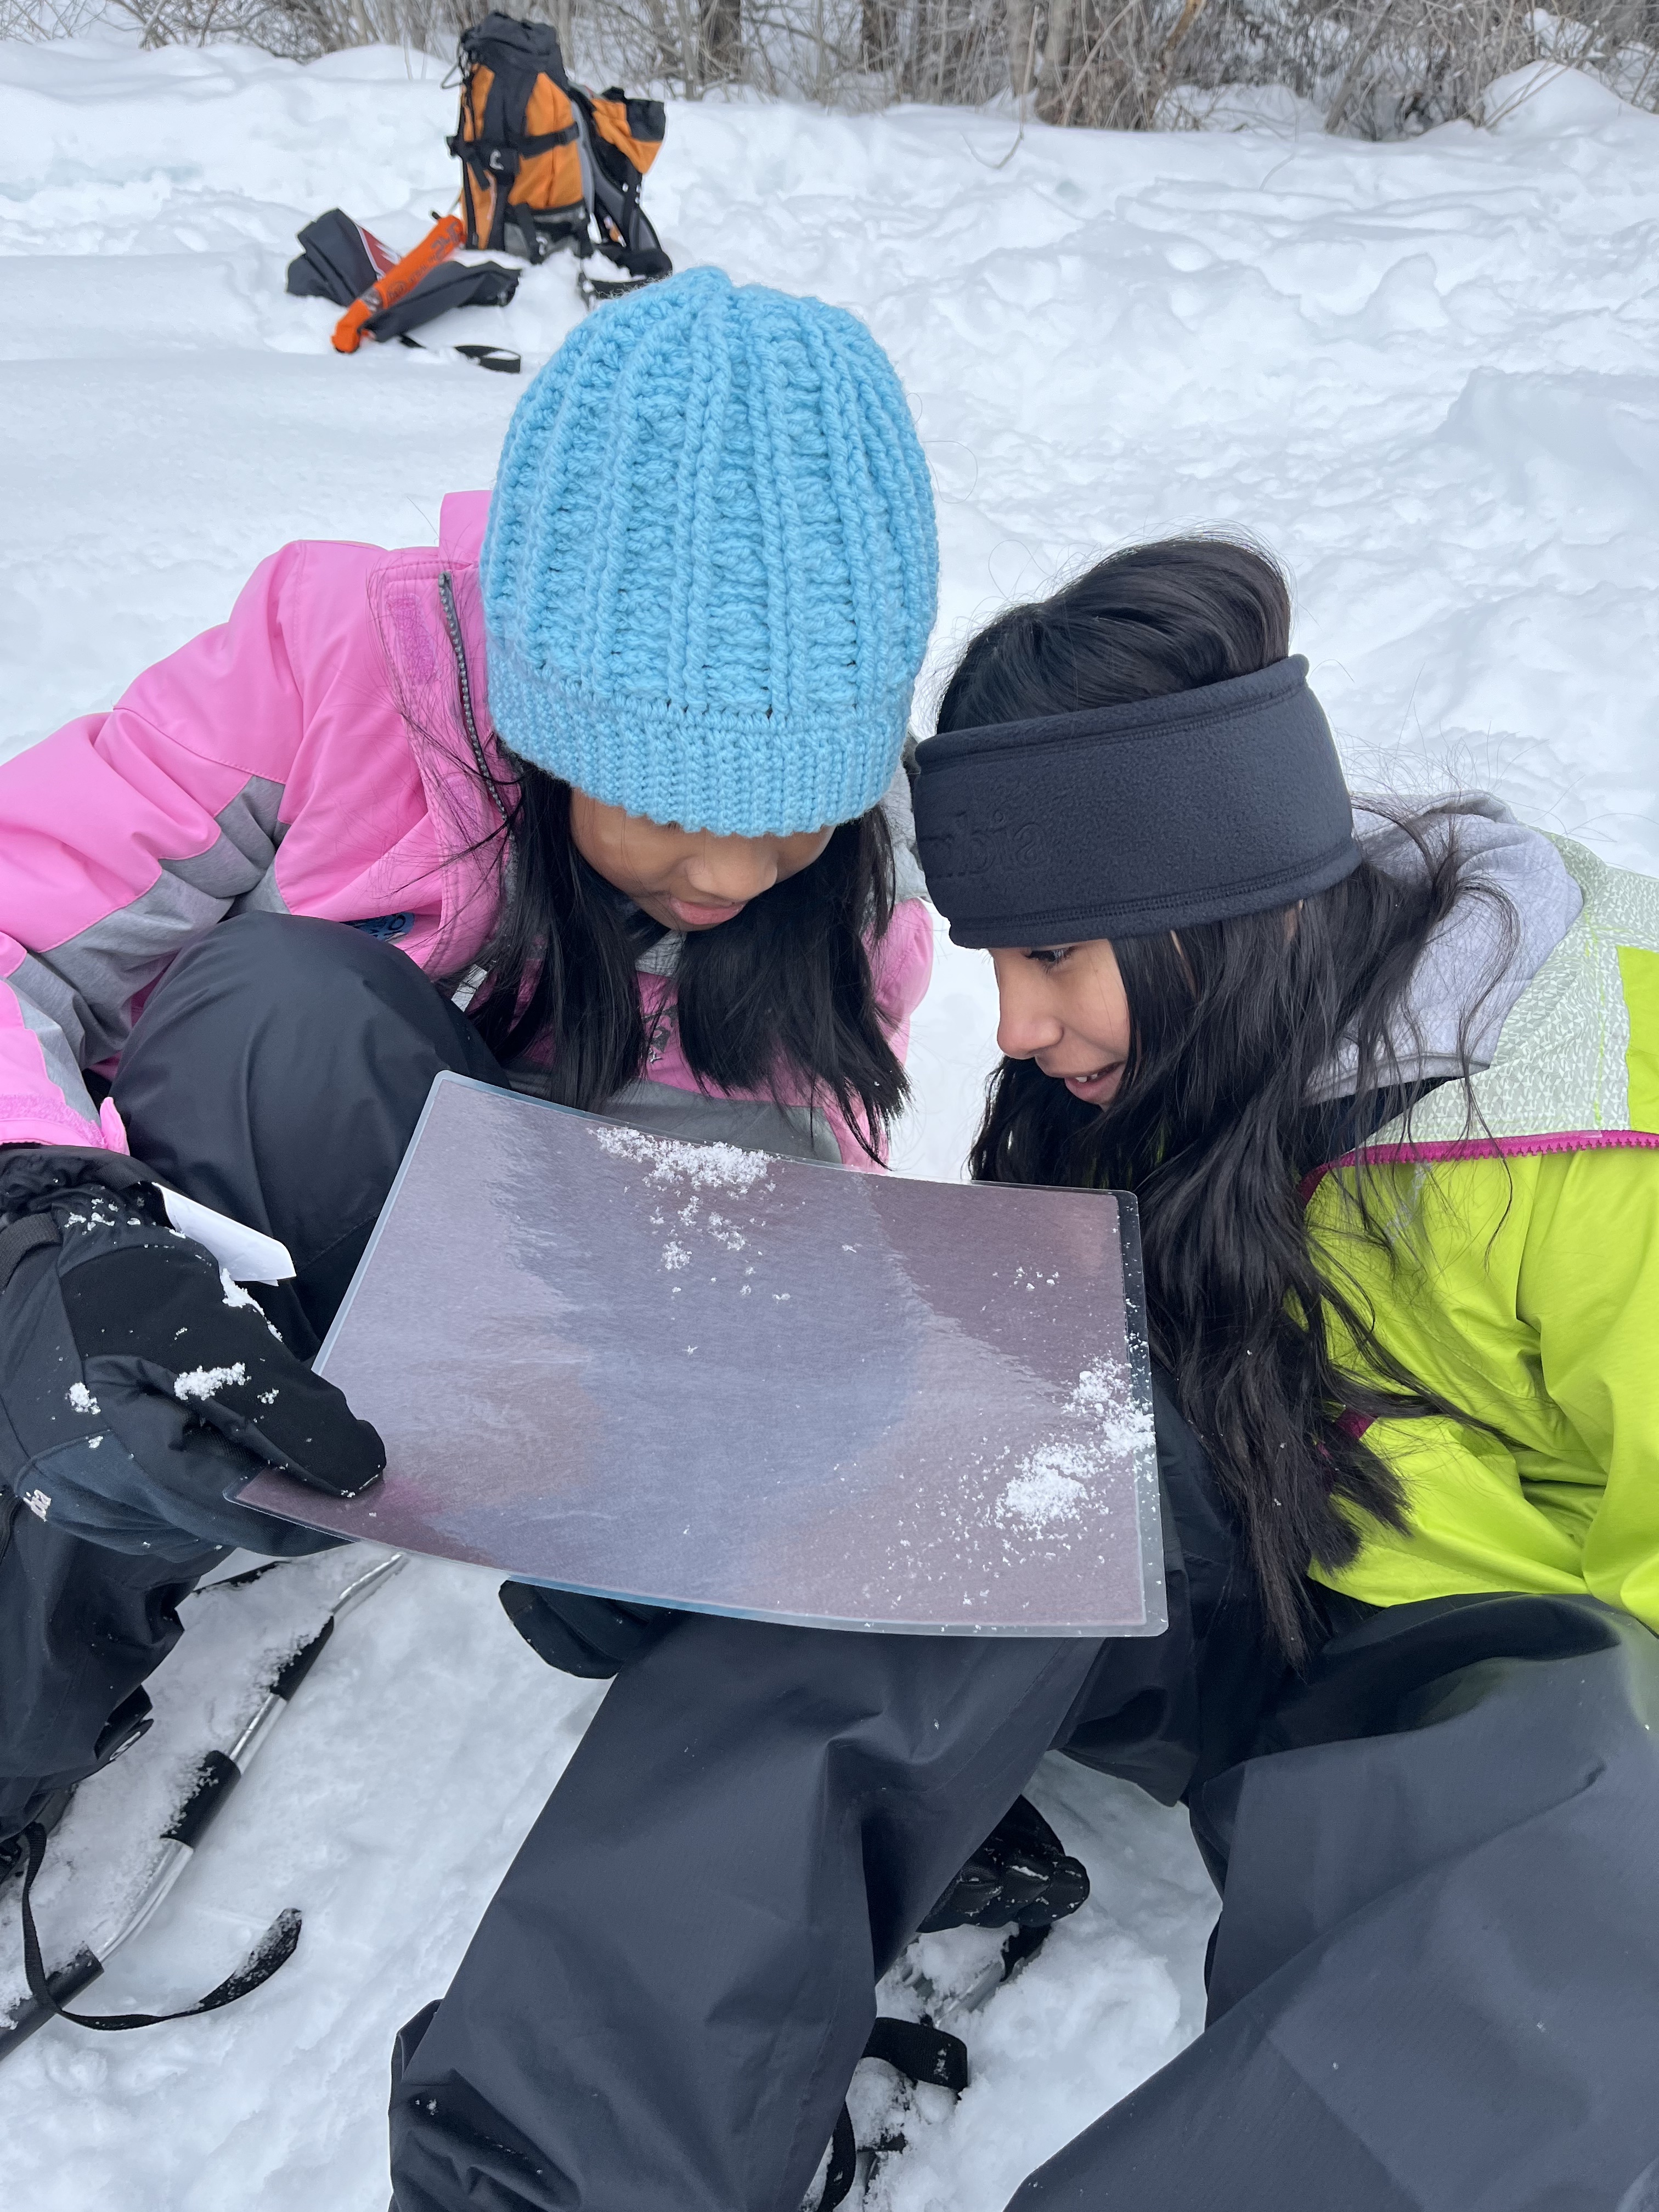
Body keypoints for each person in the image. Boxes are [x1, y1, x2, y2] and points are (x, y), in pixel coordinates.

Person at [0, 268, 939, 1887]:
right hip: (233, 1240)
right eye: (667, 804)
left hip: (500, 1311)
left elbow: (774, 1182)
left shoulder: (839, 882)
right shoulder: (330, 664)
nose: (728, 874)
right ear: (548, 700)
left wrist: (674, 1477)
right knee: (282, 1007)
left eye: (795, 817)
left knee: (779, 1254)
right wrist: (43, 1239)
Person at [909, 536, 1659, 2209]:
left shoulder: (1592, 1120)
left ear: (1211, 916)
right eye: (998, 966)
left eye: (1053, 960)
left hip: (1487, 1672)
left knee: (1580, 1868)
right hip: (1247, 1580)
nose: (1016, 1029)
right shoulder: (1179, 1065)